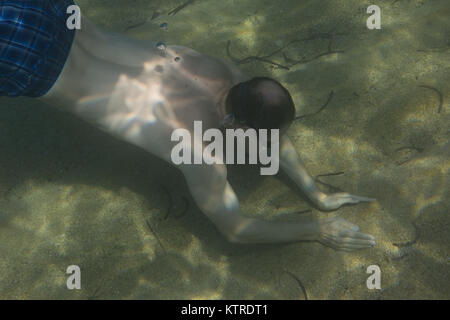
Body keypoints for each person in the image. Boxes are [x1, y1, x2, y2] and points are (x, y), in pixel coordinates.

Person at [0, 1, 376, 251]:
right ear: (237, 125)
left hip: (48, 13)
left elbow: (269, 127)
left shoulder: (223, 72)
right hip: (33, 61)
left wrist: (317, 195)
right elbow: (237, 230)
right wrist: (317, 229)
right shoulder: (200, 152)